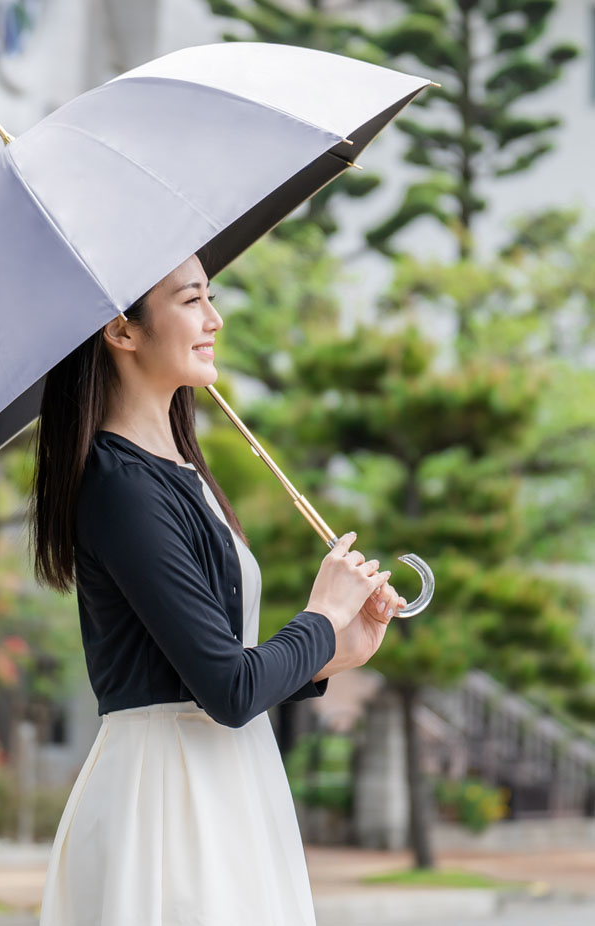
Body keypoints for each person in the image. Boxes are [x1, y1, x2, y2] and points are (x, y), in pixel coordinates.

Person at [30, 253, 407, 925]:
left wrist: (334, 651)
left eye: (211, 297)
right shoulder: (120, 488)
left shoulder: (178, 471)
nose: (215, 318)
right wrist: (319, 615)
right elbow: (226, 690)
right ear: (122, 331)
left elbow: (222, 674)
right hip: (167, 804)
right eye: (190, 301)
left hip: (224, 782)